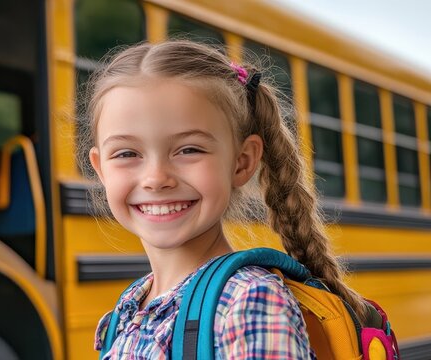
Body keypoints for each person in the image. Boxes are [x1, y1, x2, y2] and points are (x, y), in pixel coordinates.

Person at [77, 40, 369, 359]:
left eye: (189, 150)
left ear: (242, 162)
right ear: (101, 168)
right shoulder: (131, 306)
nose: (156, 178)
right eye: (127, 153)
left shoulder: (247, 301)